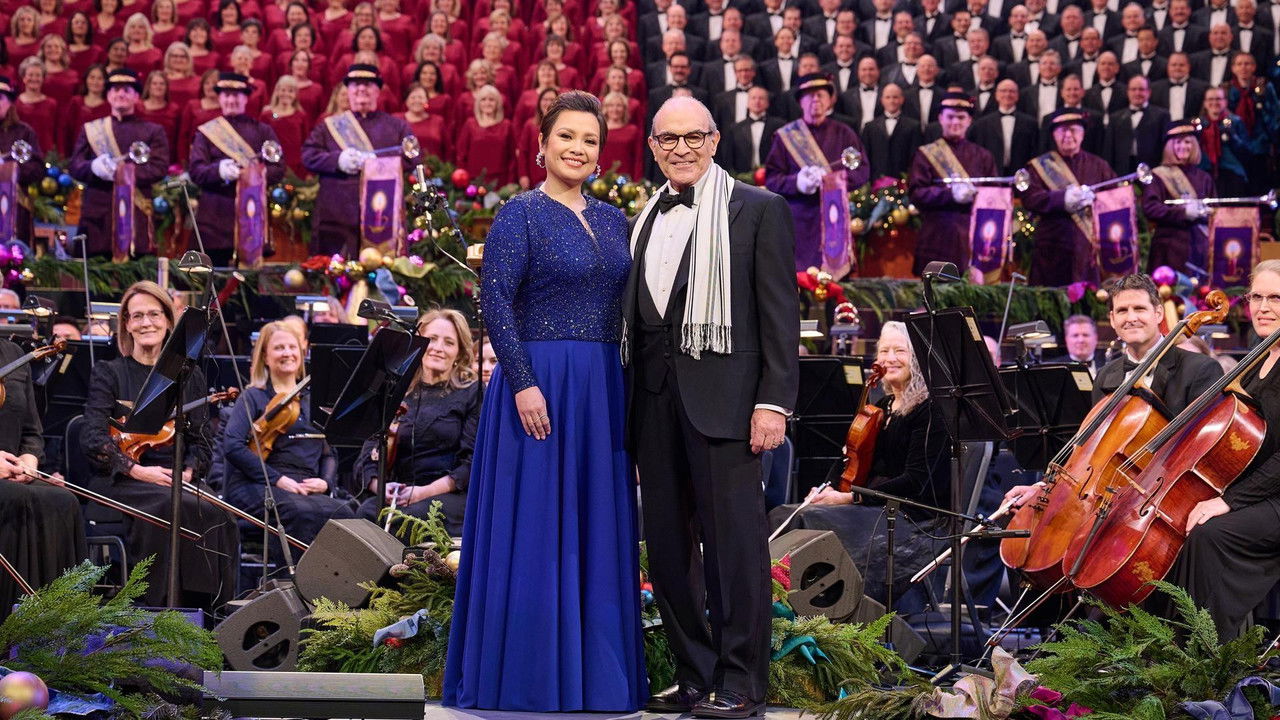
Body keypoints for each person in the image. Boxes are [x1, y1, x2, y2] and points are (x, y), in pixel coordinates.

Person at [443, 91, 646, 712]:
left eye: (590, 140)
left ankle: (597, 680)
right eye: (567, 136)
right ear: (542, 144)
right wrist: (523, 381)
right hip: (538, 386)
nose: (578, 149)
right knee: (535, 527)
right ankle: (527, 678)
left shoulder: (614, 220)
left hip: (601, 387)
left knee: (595, 527)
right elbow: (495, 302)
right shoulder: (519, 214)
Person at [632, 96, 798, 719]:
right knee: (669, 550)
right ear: (653, 147)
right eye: (668, 139)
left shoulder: (759, 208)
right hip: (653, 404)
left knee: (734, 551)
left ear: (715, 139)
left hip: (728, 406)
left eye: (693, 137)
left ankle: (742, 681)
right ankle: (695, 674)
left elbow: (780, 316)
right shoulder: (643, 216)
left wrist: (773, 402)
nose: (681, 148)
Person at [768, 321, 950, 611]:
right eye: (884, 351)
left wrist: (849, 498)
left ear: (917, 358)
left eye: (900, 351)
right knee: (785, 513)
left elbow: (916, 480)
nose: (889, 358)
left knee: (810, 521)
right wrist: (826, 489)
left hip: (912, 516)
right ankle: (774, 609)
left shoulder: (930, 410)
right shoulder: (884, 406)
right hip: (874, 504)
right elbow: (851, 457)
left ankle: (815, 613)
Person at [80, 281, 239, 608]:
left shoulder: (190, 377)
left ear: (168, 321)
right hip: (124, 478)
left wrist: (188, 472)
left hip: (175, 476)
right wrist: (137, 471)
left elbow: (202, 441)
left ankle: (207, 611)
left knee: (220, 514)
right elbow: (92, 437)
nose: (146, 323)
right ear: (126, 324)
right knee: (167, 507)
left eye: (154, 314)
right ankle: (154, 610)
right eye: (137, 316)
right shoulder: (109, 372)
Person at [1004, 273, 1223, 509]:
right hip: (1109, 498)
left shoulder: (1200, 369)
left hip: (1169, 499)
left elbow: (1207, 453)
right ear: (1112, 319)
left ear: (1158, 313)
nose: (1131, 318)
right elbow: (1089, 455)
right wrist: (1043, 488)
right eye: (1122, 311)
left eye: (1139, 309)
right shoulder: (1106, 376)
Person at [1166, 259, 1280, 639]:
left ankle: (1212, 652)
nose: (1263, 307)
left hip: (1274, 496)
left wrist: (1229, 500)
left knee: (1210, 534)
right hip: (1255, 490)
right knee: (1181, 522)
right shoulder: (1258, 353)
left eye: (1275, 298)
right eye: (1257, 297)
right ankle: (1171, 645)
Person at [220, 321, 356, 545]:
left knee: (345, 515)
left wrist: (325, 483)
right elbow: (233, 446)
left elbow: (329, 453)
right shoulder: (253, 397)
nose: (287, 353)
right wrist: (278, 480)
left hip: (304, 486)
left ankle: (328, 570)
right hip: (259, 483)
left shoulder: (314, 400)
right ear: (265, 357)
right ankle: (291, 569)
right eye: (279, 348)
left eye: (292, 347)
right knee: (298, 512)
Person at [354, 309, 480, 536]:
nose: (438, 348)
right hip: (402, 493)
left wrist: (424, 492)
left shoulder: (472, 393)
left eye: (449, 342)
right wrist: (381, 487)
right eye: (432, 339)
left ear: (460, 352)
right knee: (366, 513)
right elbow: (367, 456)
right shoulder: (396, 390)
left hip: (451, 494)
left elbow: (471, 463)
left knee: (406, 519)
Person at [0, 336, 87, 620]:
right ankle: (10, 625)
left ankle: (62, 627)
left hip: (14, 473)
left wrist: (29, 460)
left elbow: (31, 430)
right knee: (13, 497)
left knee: (63, 501)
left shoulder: (13, 353)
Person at [301, 63, 415, 257]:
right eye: (355, 84)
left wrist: (378, 162)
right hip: (336, 217)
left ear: (378, 91)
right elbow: (308, 156)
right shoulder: (328, 126)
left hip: (382, 216)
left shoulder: (397, 127)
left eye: (368, 84)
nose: (361, 88)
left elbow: (413, 157)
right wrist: (338, 160)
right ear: (348, 91)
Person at [764, 73, 868, 273]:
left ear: (830, 101)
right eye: (809, 95)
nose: (816, 100)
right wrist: (797, 182)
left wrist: (833, 180)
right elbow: (772, 179)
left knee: (834, 281)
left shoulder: (844, 133)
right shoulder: (786, 136)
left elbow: (861, 170)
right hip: (799, 221)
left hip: (834, 218)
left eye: (821, 95)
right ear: (800, 102)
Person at [67, 68, 169, 258]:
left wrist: (122, 173)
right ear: (108, 95)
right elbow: (75, 166)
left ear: (136, 96)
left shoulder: (153, 131)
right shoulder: (91, 129)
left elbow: (159, 168)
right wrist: (93, 167)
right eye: (115, 89)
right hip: (97, 218)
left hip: (136, 216)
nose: (120, 94)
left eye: (127, 90)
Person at [188, 71, 285, 267]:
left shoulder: (263, 130)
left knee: (249, 281)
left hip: (252, 216)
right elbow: (196, 170)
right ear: (219, 98)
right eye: (226, 95)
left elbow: (278, 167)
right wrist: (219, 171)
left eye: (237, 95)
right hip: (214, 219)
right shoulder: (206, 132)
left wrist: (253, 174)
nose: (231, 100)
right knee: (214, 279)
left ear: (246, 98)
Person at [1018, 108, 1115, 286]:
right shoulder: (1039, 166)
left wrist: (1095, 201)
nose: (1068, 135)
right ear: (1054, 135)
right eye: (1062, 130)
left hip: (1087, 249)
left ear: (1083, 134)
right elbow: (1030, 198)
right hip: (1051, 247)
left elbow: (1114, 199)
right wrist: (1062, 199)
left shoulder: (1099, 166)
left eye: (1073, 130)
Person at [907, 91, 997, 276]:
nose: (955, 122)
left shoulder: (983, 156)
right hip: (936, 236)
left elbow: (993, 197)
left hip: (972, 238)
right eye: (950, 117)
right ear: (940, 118)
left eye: (961, 117)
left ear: (969, 121)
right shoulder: (925, 154)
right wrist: (950, 195)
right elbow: (917, 193)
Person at [1141, 121, 1215, 277]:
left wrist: (1208, 213)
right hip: (1168, 248)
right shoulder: (1157, 176)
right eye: (1178, 142)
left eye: (1188, 142)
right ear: (1169, 146)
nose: (1183, 146)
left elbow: (1215, 210)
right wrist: (1183, 213)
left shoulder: (1204, 178)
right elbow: (1150, 208)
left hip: (1199, 248)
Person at [0, 76, 45, 243]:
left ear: (10, 103)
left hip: (15, 209)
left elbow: (38, 170)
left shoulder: (24, 132)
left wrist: (10, 169)